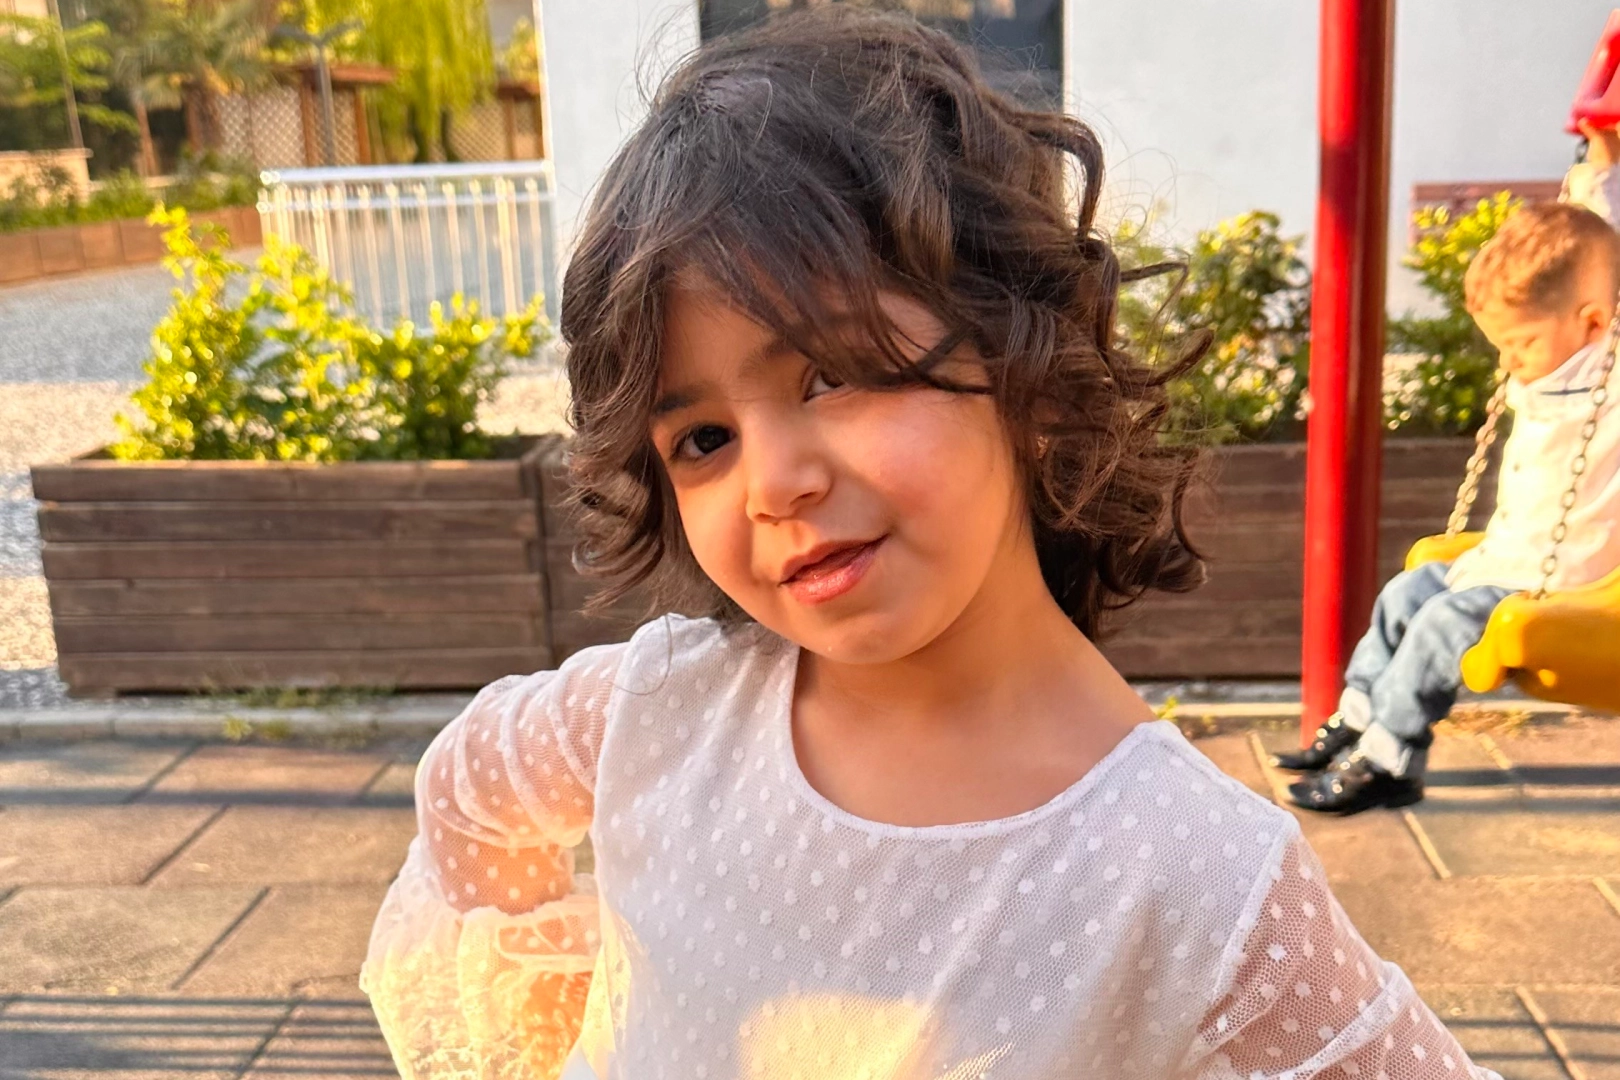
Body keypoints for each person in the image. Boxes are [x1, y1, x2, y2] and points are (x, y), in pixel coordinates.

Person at [360, 9, 1501, 1078]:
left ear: (1031, 368)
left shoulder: (1198, 882)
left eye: (833, 373)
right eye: (703, 438)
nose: (774, 482)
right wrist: (549, 1037)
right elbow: (467, 788)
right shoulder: (655, 715)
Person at [1278, 125, 1620, 815]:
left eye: (1521, 343)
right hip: (1502, 561)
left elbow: (1603, 249)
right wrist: (1599, 157)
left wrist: (1605, 184)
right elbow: (1583, 241)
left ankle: (1390, 759)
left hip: (1562, 583)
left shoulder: (1608, 371)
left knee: (1438, 622)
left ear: (1592, 323)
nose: (1510, 361)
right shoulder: (1547, 362)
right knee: (1405, 594)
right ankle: (1357, 719)